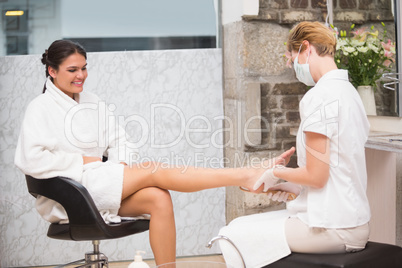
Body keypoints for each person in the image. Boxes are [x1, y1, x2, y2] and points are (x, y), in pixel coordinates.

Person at [14, 39, 295, 266]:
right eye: (72, 70)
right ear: (52, 71)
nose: (81, 76)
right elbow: (30, 160)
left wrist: (120, 166)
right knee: (154, 169)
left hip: (102, 180)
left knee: (159, 199)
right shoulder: (40, 108)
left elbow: (120, 138)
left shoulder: (92, 101)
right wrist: (82, 161)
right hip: (71, 193)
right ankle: (244, 176)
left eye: (84, 68)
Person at [217, 21, 371, 268]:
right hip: (352, 220)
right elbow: (334, 174)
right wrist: (286, 185)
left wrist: (273, 171)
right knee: (239, 227)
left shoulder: (320, 97)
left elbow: (316, 176)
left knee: (232, 233)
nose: (293, 67)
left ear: (306, 48)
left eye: (292, 59)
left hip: (333, 228)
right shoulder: (349, 93)